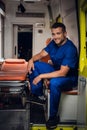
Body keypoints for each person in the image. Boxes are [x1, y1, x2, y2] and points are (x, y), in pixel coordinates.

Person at [27, 22, 78, 129]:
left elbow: (62, 73)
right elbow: (41, 54)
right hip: (56, 70)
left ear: (65, 33)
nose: (55, 37)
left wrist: (42, 76)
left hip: (68, 78)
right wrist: (30, 60)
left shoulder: (70, 49)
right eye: (53, 34)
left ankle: (53, 117)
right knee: (35, 65)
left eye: (58, 34)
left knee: (54, 83)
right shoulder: (53, 43)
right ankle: (38, 95)